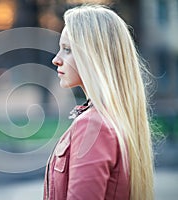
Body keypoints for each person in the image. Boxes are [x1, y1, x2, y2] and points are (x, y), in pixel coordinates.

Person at [43, 4, 154, 200]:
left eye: (67, 49)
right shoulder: (109, 118)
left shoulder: (93, 125)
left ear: (93, 56)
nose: (56, 59)